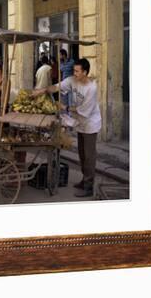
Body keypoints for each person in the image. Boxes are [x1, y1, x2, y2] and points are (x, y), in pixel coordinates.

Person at [32, 58, 101, 197]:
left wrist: (65, 107)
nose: (74, 73)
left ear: (85, 72)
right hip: (80, 123)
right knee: (82, 154)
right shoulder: (72, 80)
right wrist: (43, 91)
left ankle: (89, 187)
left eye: (77, 71)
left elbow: (83, 110)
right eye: (74, 70)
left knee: (89, 156)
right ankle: (84, 180)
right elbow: (57, 87)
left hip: (90, 124)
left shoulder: (91, 88)